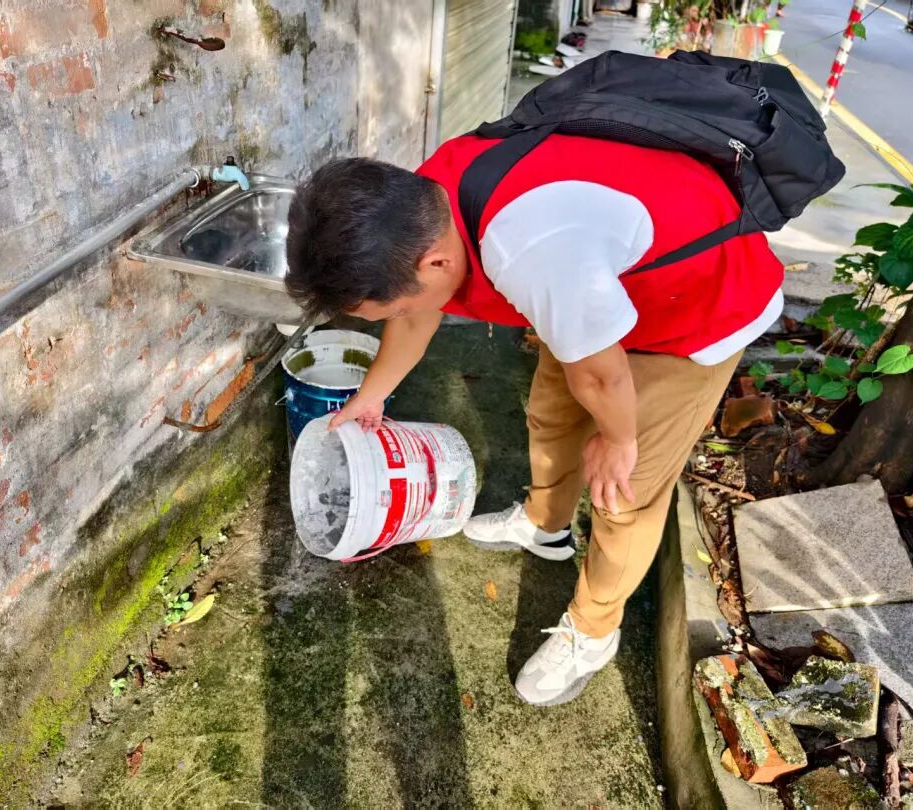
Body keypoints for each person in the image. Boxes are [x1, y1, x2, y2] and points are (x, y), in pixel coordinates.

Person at [283, 131, 783, 707]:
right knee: (553, 413)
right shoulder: (421, 205)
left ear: (437, 261)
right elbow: (419, 314)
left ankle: (593, 631)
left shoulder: (532, 251)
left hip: (696, 305)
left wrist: (619, 439)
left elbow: (602, 379)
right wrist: (370, 398)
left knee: (625, 492)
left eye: (394, 306)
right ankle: (546, 525)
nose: (402, 314)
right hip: (599, 282)